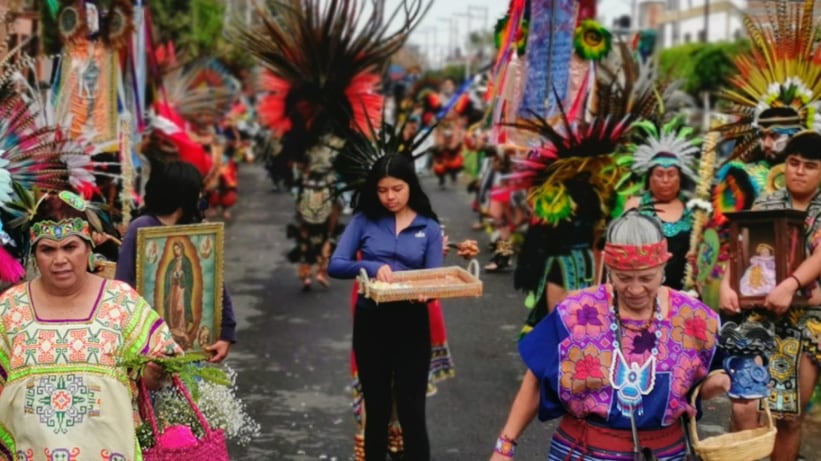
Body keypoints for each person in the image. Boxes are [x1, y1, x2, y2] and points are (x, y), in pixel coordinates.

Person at [490, 210, 730, 461]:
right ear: (609, 268)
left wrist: (723, 381)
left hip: (665, 454)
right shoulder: (576, 311)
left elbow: (707, 381)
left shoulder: (693, 318)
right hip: (584, 453)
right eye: (624, 278)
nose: (636, 289)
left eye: (647, 278)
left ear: (664, 266)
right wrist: (505, 446)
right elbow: (536, 380)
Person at [0, 192, 182, 458]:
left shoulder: (121, 302)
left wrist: (155, 372)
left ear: (88, 246)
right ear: (34, 252)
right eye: (47, 249)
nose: (59, 259)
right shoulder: (9, 309)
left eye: (70, 247)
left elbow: (160, 366)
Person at [329, 154, 443, 461]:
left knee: (412, 413)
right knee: (376, 409)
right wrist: (370, 265)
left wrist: (427, 293)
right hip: (371, 323)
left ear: (410, 186)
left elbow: (433, 277)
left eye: (397, 188)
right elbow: (336, 265)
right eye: (382, 190)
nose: (389, 197)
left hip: (412, 324)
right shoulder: (364, 220)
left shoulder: (429, 227)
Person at [720, 131, 821, 461]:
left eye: (810, 165)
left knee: (788, 417)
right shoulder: (766, 202)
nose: (800, 171)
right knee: (746, 411)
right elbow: (739, 249)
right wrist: (727, 286)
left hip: (808, 322)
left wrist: (791, 283)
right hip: (759, 318)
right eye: (794, 163)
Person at [115, 160, 237, 363]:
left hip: (190, 348)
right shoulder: (142, 227)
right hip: (146, 345)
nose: (201, 197)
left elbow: (214, 284)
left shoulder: (195, 228)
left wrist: (226, 333)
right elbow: (122, 285)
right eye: (198, 191)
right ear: (185, 195)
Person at [623, 117, 700, 290]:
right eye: (659, 174)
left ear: (680, 178)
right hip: (642, 290)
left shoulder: (693, 212)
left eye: (671, 174)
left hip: (683, 294)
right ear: (649, 178)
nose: (665, 180)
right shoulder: (636, 206)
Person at [164, 241, 196, 345]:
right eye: (174, 249)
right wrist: (173, 275)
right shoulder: (172, 263)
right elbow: (168, 276)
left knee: (180, 308)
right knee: (173, 308)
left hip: (182, 289)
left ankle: (182, 329)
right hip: (173, 288)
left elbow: (190, 277)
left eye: (177, 249)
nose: (176, 251)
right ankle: (174, 329)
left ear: (182, 249)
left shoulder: (186, 262)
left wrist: (182, 275)